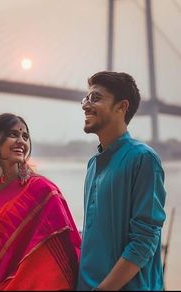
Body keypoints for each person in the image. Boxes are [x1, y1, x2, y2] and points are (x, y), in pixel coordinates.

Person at [0, 113, 81, 291]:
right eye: (13, 134)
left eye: (25, 136)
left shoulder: (42, 190)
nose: (21, 141)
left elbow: (66, 247)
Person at [77, 71, 166, 291]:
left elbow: (144, 241)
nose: (86, 105)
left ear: (122, 106)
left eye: (95, 98)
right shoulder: (93, 164)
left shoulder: (143, 159)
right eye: (86, 99)